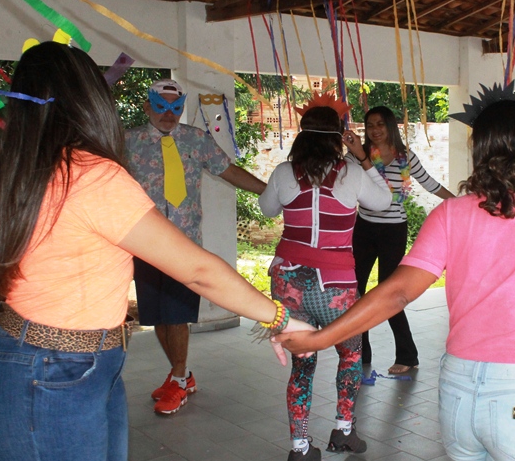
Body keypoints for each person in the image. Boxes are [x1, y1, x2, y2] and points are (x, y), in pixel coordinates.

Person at [0, 42, 310, 461]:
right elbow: (200, 272)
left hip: (61, 361)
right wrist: (280, 317)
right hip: (53, 373)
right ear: (89, 102)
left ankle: (179, 374)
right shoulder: (93, 175)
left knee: (175, 317)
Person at [276, 88, 515, 461]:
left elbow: (396, 293)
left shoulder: (450, 215)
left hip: (459, 391)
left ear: (480, 150)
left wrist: (322, 337)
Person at [258, 100, 392, 461]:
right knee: (351, 353)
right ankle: (344, 430)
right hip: (336, 286)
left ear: (302, 135)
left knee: (302, 362)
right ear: (337, 137)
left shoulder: (284, 172)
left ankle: (300, 447)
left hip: (289, 283)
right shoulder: (352, 173)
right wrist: (363, 157)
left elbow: (266, 209)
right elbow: (383, 201)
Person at [125, 79, 267, 415]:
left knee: (177, 315)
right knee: (157, 317)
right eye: (161, 106)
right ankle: (182, 376)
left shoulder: (196, 139)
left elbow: (228, 171)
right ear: (147, 107)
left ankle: (178, 380)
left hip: (184, 245)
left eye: (175, 107)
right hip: (144, 242)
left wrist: (270, 192)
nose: (168, 114)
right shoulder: (127, 142)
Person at [351, 105, 454, 374]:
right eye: (370, 125)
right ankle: (360, 352)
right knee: (355, 289)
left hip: (393, 230)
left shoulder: (405, 157)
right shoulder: (357, 155)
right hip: (363, 228)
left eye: (380, 124)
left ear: (390, 126)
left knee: (390, 290)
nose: (374, 130)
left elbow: (429, 183)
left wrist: (457, 202)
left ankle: (407, 355)